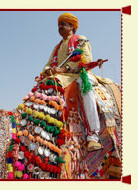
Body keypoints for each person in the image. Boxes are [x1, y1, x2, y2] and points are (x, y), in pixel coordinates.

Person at [42, 12, 103, 152]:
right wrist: (48, 70)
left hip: (80, 73)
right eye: (58, 25)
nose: (60, 27)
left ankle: (93, 135)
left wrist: (64, 69)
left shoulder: (81, 39)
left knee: (84, 87)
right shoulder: (57, 47)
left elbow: (86, 59)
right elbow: (48, 63)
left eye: (63, 24)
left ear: (71, 27)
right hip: (61, 76)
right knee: (43, 87)